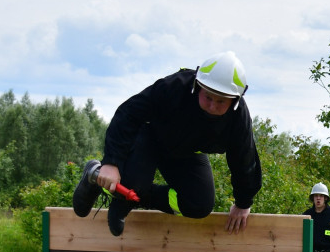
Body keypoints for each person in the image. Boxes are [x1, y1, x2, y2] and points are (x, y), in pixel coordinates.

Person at [72, 51, 262, 236]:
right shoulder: (174, 87)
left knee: (199, 204)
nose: (212, 106)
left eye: (221, 102)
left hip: (186, 153)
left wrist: (243, 203)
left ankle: (136, 198)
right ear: (198, 86)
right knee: (132, 183)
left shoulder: (238, 119)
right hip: (150, 139)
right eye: (208, 97)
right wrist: (111, 163)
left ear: (235, 101)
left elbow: (244, 161)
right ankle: (95, 175)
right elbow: (128, 114)